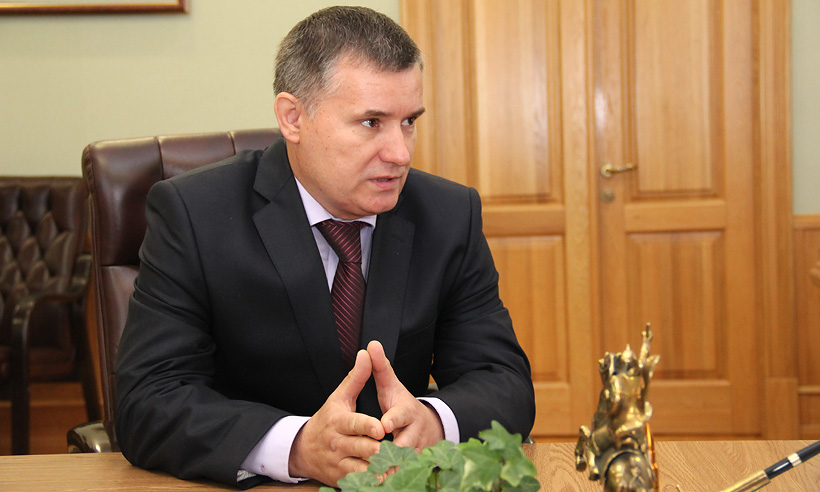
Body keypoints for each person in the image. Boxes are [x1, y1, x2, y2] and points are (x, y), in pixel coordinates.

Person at [115, 5, 535, 489]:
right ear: (293, 118)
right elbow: (147, 400)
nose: (400, 153)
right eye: (371, 122)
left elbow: (504, 382)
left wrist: (433, 423)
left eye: (409, 121)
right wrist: (297, 447)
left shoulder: (448, 214)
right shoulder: (195, 215)